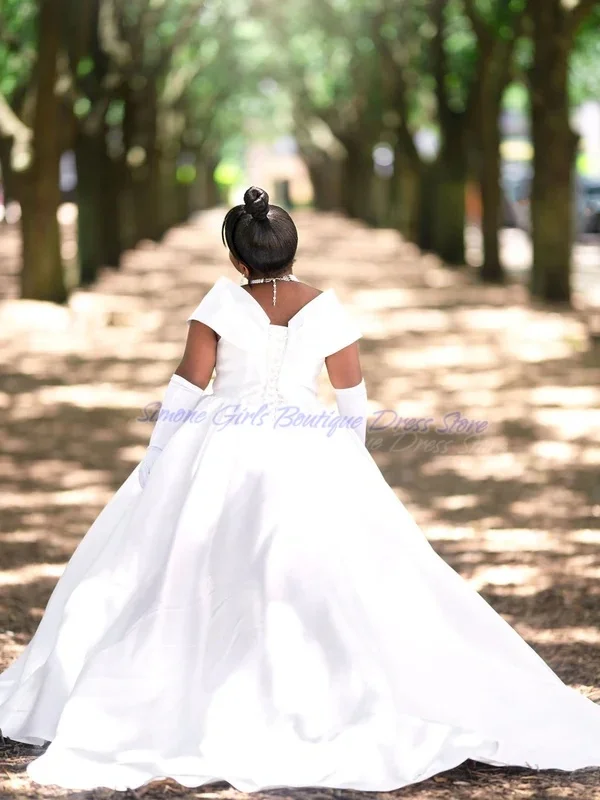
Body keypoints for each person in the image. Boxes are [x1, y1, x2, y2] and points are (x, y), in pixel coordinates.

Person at [1, 187, 599, 792]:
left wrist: (158, 453)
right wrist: (350, 459)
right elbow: (352, 397)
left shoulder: (219, 304)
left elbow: (189, 382)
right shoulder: (327, 308)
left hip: (217, 444)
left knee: (186, 559)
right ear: (293, 251)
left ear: (237, 258)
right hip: (307, 440)